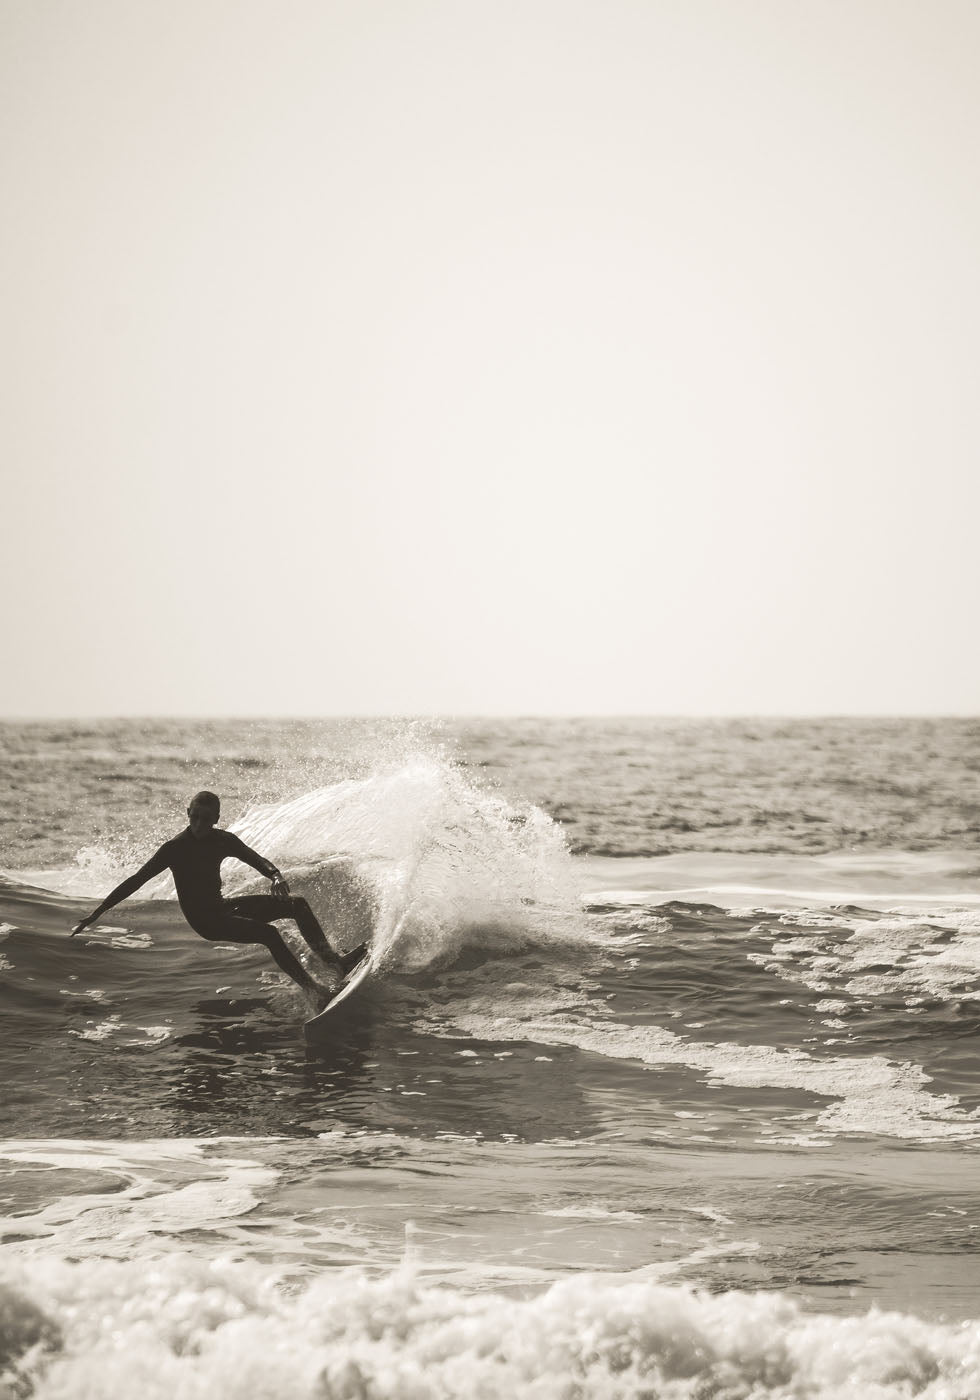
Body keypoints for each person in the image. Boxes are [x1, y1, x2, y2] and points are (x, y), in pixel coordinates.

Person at [71, 790, 364, 1001]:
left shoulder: (223, 841)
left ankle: (333, 961)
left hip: (222, 908)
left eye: (206, 819)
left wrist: (275, 875)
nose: (199, 824)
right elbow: (136, 880)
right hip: (205, 922)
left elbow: (257, 860)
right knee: (270, 934)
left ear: (216, 819)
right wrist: (98, 912)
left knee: (296, 905)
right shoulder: (175, 849)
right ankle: (313, 991)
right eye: (195, 817)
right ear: (188, 813)